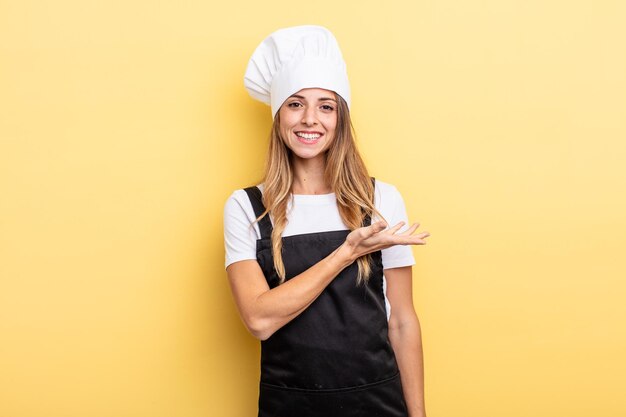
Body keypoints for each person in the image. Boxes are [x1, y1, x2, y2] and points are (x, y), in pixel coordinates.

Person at [224, 25, 430, 417]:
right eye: (296, 104)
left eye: (326, 106)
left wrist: (418, 415)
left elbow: (402, 322)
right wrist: (346, 252)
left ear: (340, 118)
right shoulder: (248, 207)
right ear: (279, 115)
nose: (310, 120)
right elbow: (259, 319)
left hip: (377, 402)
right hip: (290, 403)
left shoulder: (381, 199)